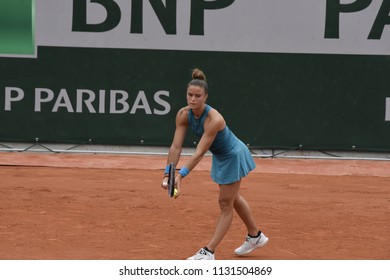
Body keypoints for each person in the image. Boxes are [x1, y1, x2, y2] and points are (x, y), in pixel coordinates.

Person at [161, 68, 268, 260]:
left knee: (225, 203)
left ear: (206, 97)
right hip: (221, 155)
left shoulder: (213, 119)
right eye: (190, 95)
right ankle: (255, 235)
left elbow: (200, 153)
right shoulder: (183, 115)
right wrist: (167, 173)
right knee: (232, 198)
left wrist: (180, 176)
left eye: (198, 96)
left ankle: (209, 252)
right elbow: (175, 147)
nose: (193, 99)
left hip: (233, 155)